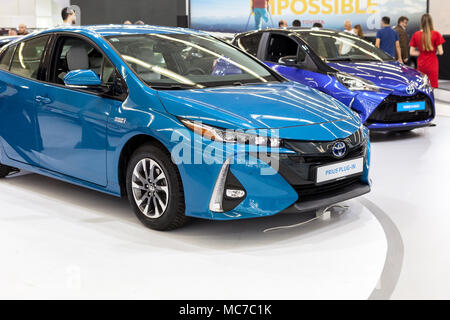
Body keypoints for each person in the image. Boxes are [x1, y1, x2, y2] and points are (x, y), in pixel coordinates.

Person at [410, 14, 445, 88]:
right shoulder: (436, 34)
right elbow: (441, 52)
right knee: (432, 86)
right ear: (431, 22)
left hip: (421, 63)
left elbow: (412, 52)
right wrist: (432, 52)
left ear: (421, 22)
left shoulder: (416, 34)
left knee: (422, 85)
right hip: (432, 63)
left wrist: (422, 53)